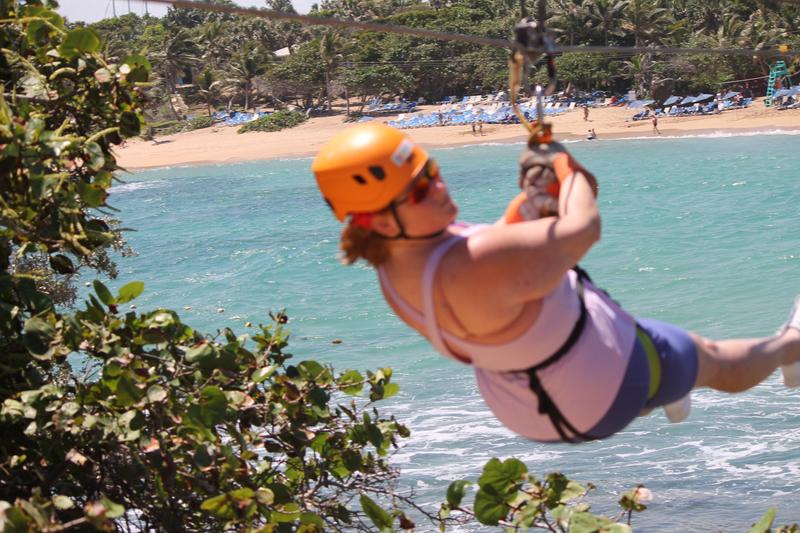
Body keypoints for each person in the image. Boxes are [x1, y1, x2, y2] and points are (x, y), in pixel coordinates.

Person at [311, 123, 800, 443]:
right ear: (375, 221)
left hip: (530, 404)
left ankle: (659, 391)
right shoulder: (478, 262)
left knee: (648, 345)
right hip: (601, 383)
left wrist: (527, 207)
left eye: (431, 172)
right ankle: (790, 348)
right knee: (711, 358)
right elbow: (582, 229)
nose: (439, 187)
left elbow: (505, 272)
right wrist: (569, 171)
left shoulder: (392, 268)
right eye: (418, 190)